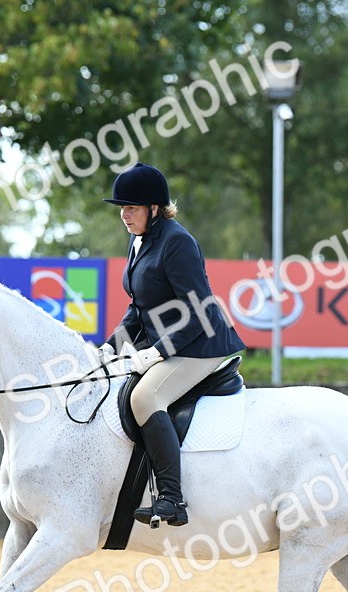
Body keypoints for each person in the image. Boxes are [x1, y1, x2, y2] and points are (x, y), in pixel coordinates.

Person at [100, 162, 246, 527]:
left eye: (131, 207)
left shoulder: (176, 242)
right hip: (173, 344)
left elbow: (199, 309)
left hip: (201, 344)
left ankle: (172, 499)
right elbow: (139, 307)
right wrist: (110, 346)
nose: (123, 215)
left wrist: (156, 352)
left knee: (145, 397)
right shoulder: (139, 240)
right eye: (121, 208)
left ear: (154, 208)